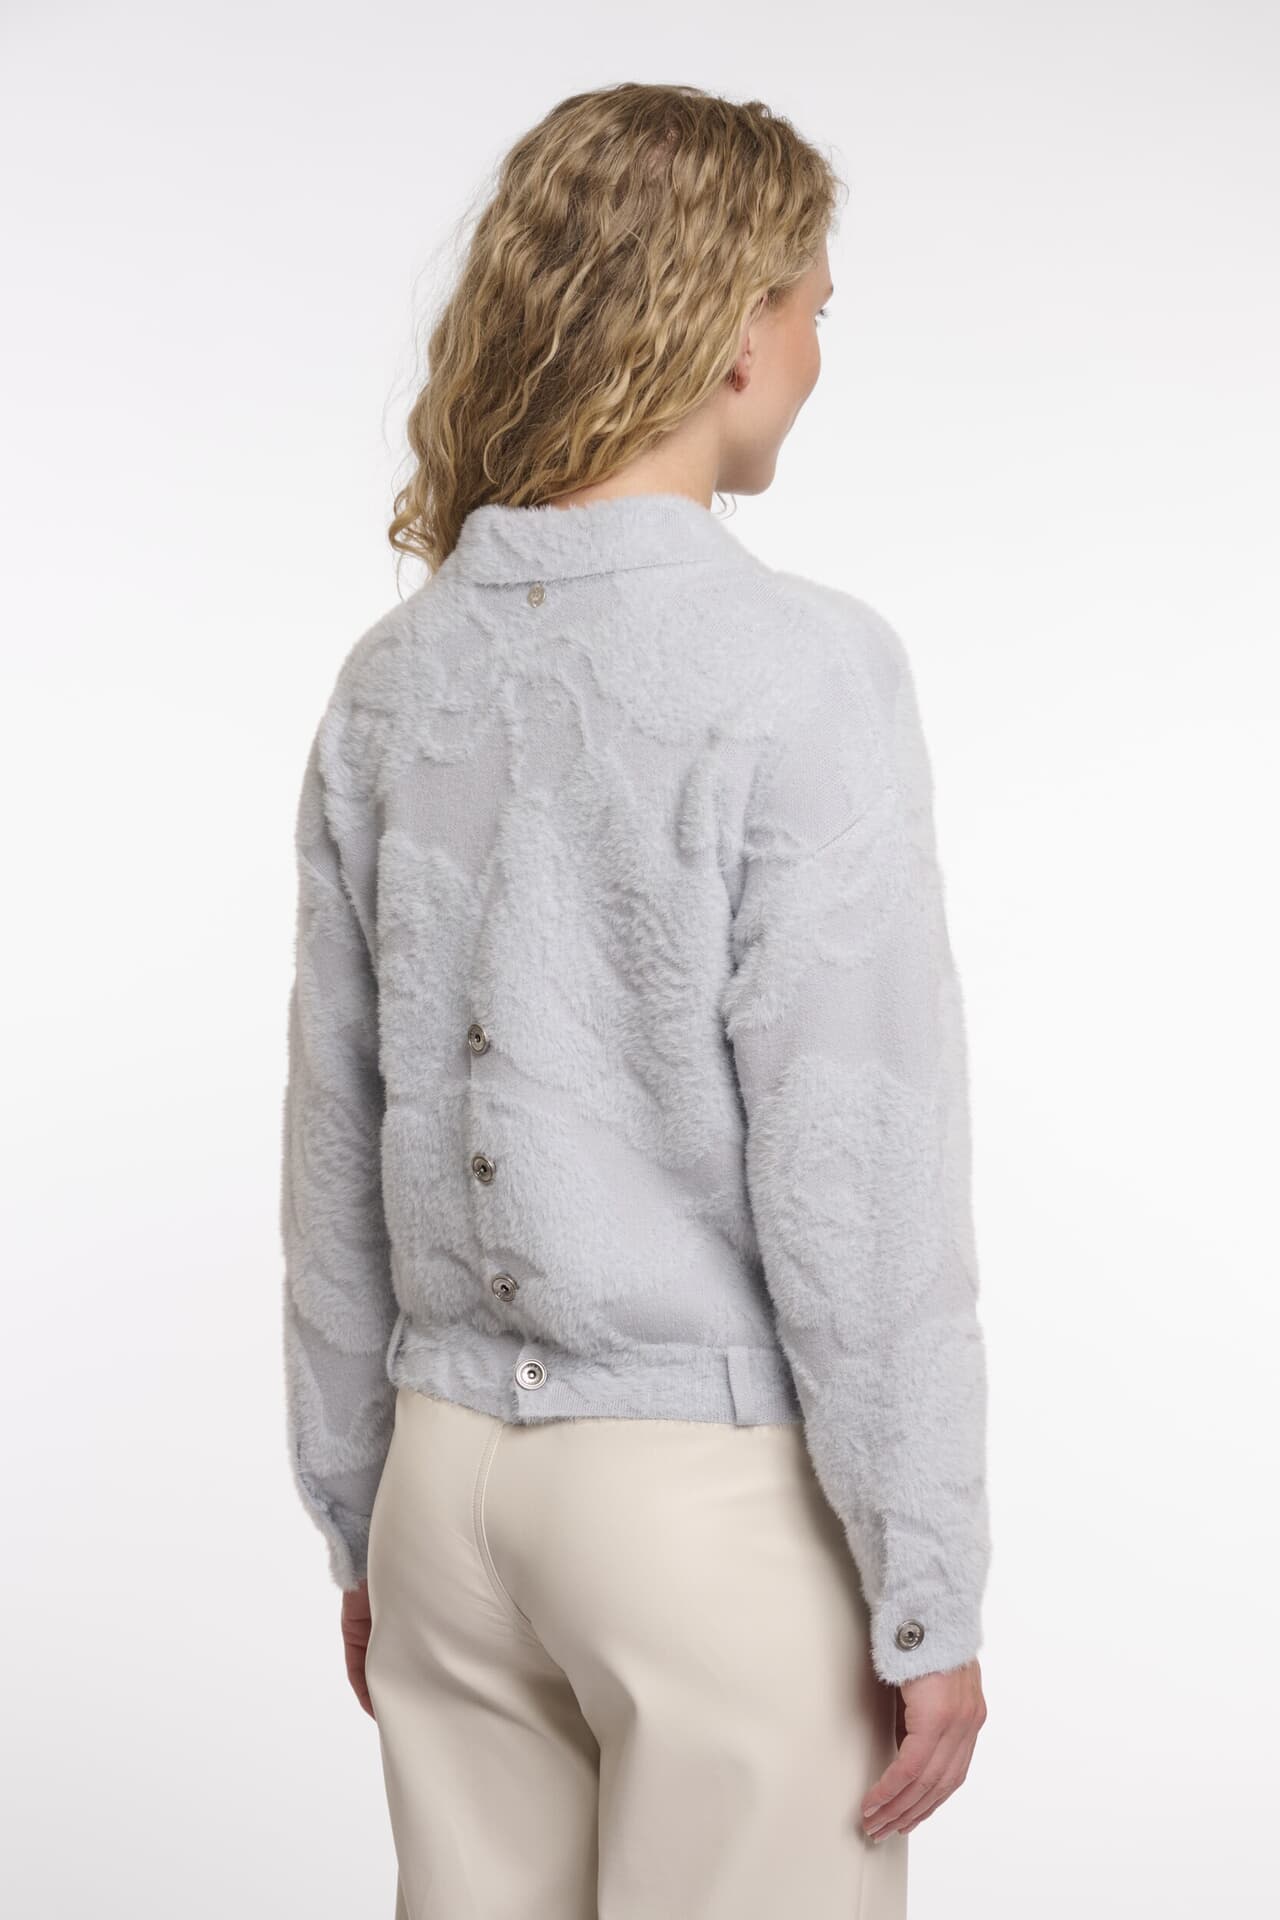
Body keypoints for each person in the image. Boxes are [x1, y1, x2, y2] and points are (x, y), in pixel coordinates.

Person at [279, 80, 991, 1920]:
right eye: (814, 304)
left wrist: (362, 1512)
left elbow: (334, 1141)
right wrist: (925, 1586)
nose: (819, 348)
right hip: (702, 1504)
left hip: (444, 1492)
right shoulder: (802, 668)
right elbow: (857, 1158)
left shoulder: (390, 680)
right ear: (731, 327)